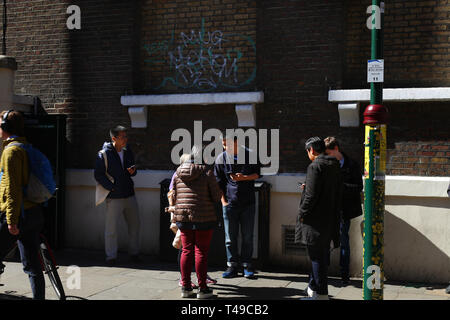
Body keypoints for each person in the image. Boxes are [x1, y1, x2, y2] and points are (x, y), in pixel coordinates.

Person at [0, 110, 46, 299]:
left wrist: (11, 221)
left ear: (5, 127)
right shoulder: (26, 147)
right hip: (34, 213)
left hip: (17, 215)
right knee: (33, 265)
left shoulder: (11, 151)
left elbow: (13, 188)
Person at [295, 137, 343, 300]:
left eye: (307, 151)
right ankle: (315, 289)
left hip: (315, 220)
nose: (308, 154)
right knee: (322, 256)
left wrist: (302, 213)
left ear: (312, 151)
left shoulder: (315, 166)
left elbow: (311, 196)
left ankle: (321, 294)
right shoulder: (334, 164)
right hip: (330, 217)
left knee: (316, 257)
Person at [173, 145, 222, 299]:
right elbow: (216, 197)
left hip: (183, 216)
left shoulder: (178, 172)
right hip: (203, 217)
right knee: (201, 251)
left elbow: (174, 193)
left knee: (186, 250)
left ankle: (186, 287)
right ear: (204, 157)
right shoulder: (207, 172)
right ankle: (203, 289)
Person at [214, 134, 261, 279]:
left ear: (237, 143)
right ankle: (232, 265)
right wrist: (223, 202)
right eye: (223, 144)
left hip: (248, 203)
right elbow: (218, 183)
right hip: (230, 203)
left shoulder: (251, 155)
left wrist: (244, 178)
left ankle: (247, 265)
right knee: (230, 237)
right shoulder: (221, 159)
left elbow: (258, 174)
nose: (225, 147)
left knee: (247, 236)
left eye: (227, 144)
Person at [94, 125, 141, 266]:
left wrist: (133, 171)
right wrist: (111, 188)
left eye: (126, 136)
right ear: (114, 138)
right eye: (122, 137)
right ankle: (111, 257)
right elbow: (98, 174)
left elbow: (132, 168)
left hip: (129, 193)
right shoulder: (104, 154)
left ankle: (134, 253)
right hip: (114, 197)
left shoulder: (127, 151)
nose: (125, 139)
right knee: (111, 228)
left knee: (135, 225)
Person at [324, 136, 363, 286]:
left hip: (344, 210)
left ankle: (345, 274)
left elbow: (358, 187)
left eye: (328, 153)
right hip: (328, 208)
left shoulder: (352, 165)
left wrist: (341, 187)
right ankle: (323, 272)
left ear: (336, 149)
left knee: (344, 242)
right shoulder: (327, 164)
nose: (326, 156)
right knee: (325, 241)